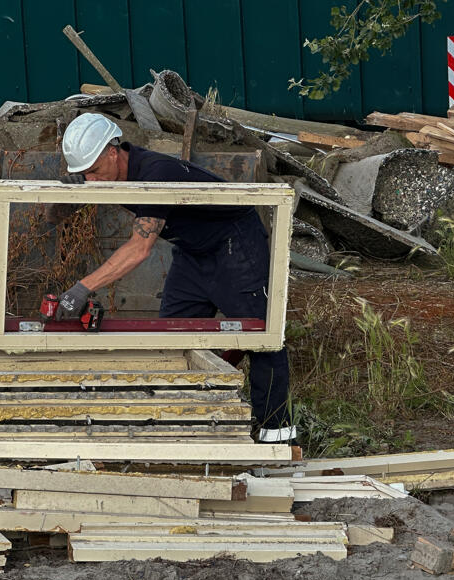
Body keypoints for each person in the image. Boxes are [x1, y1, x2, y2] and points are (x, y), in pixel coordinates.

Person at [52, 112, 294, 443]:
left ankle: (276, 436)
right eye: (84, 173)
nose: (91, 179)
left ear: (113, 150)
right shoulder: (110, 175)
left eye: (93, 170)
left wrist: (82, 288)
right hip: (193, 251)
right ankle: (186, 428)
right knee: (172, 340)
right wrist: (77, 189)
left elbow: (140, 248)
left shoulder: (155, 173)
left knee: (261, 338)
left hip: (235, 243)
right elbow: (90, 184)